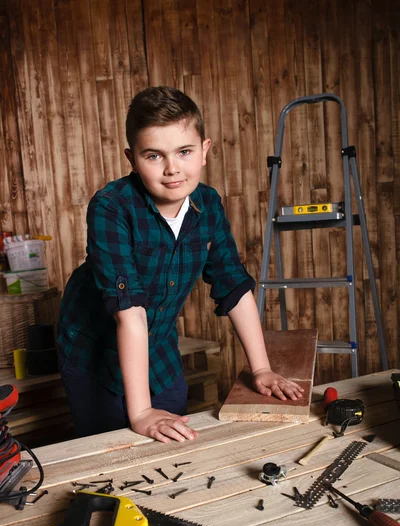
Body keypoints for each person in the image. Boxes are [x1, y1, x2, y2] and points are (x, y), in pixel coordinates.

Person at [57, 86, 303, 443]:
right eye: (154, 156)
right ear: (132, 158)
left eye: (184, 152)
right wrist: (140, 412)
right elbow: (129, 311)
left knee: (175, 433)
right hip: (94, 350)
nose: (172, 169)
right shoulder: (111, 207)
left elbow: (233, 287)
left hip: (159, 346)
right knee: (112, 447)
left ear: (204, 151)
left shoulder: (208, 204)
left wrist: (261, 368)